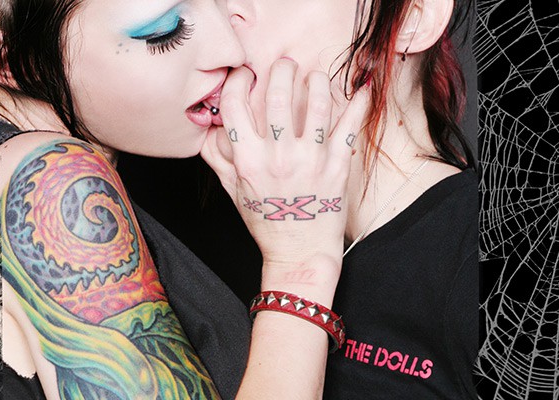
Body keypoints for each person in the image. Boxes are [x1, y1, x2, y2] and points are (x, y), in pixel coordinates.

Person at [0, 0, 365, 399]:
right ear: (15, 64)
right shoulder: (49, 180)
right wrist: (299, 264)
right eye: (165, 31)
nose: (230, 49)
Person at [202, 0, 478, 398]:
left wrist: (297, 268)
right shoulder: (208, 245)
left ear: (410, 19)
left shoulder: (483, 259)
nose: (228, 12)